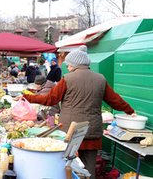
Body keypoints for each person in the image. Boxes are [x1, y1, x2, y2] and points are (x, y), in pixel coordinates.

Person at [20, 46, 135, 179]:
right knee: (89, 168)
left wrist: (27, 97)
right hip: (93, 131)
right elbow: (115, 100)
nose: (67, 67)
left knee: (69, 166)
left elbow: (50, 99)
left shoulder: (68, 79)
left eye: (68, 65)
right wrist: (129, 111)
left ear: (75, 65)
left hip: (71, 131)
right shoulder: (100, 79)